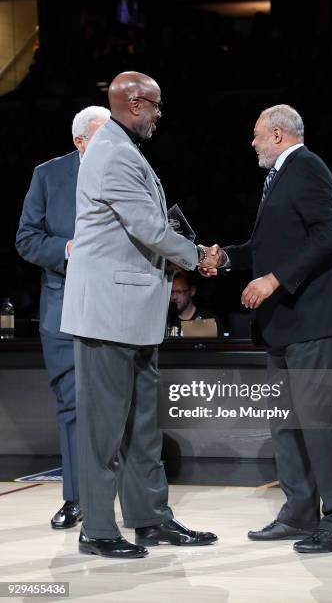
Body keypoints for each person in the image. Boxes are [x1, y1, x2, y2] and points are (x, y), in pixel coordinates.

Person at [60, 71, 219, 559]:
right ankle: (99, 531)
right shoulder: (111, 152)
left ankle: (151, 520)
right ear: (133, 103)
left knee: (141, 428)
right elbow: (151, 227)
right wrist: (199, 256)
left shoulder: (121, 149)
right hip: (109, 313)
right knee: (104, 429)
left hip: (132, 313)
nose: (158, 115)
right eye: (155, 106)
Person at [203, 104, 332, 554]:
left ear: (277, 135)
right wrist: (227, 257)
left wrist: (274, 280)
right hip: (284, 326)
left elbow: (328, 233)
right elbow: (268, 246)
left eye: (256, 135)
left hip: (315, 321)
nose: (252, 143)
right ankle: (298, 513)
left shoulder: (308, 168)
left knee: (325, 424)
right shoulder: (279, 178)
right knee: (287, 425)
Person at [15, 106, 110, 530]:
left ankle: (127, 498)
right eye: (102, 137)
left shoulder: (128, 170)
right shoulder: (48, 175)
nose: (112, 145)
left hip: (113, 307)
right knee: (71, 407)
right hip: (63, 307)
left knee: (116, 404)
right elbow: (27, 239)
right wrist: (68, 249)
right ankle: (76, 498)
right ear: (80, 141)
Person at [168, 271, 224, 336]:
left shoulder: (208, 319)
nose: (174, 297)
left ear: (192, 291)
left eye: (179, 292)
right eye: (172, 292)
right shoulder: (166, 319)